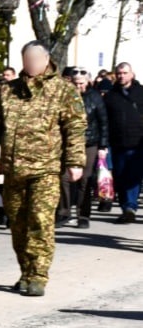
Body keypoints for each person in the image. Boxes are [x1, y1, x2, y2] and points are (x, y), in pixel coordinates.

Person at [0, 41, 86, 297]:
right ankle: (26, 271)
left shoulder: (63, 90)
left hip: (46, 169)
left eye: (36, 60)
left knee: (40, 221)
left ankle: (38, 275)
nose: (31, 65)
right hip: (14, 169)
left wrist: (75, 161)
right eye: (27, 60)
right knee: (17, 223)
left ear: (46, 60)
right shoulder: (8, 91)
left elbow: (76, 128)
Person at [58, 69, 108, 228]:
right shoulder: (65, 98)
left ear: (88, 82)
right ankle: (64, 212)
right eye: (75, 83)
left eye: (81, 83)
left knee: (85, 179)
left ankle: (83, 215)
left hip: (89, 143)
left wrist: (103, 145)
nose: (78, 86)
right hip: (68, 143)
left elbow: (103, 123)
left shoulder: (94, 98)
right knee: (64, 178)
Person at [103, 62, 143, 223]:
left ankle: (130, 207)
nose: (121, 76)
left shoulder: (140, 93)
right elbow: (104, 120)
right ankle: (125, 206)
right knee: (119, 177)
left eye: (125, 73)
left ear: (131, 74)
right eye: (119, 73)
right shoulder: (111, 96)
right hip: (117, 143)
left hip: (138, 144)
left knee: (133, 175)